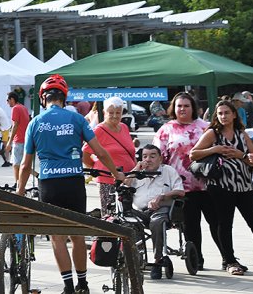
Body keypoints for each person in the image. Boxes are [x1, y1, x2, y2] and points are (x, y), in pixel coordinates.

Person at [17, 75, 125, 294]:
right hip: (74, 183)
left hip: (49, 185)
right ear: (64, 98)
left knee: (57, 238)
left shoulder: (35, 122)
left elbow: (25, 164)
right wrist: (116, 174)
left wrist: (19, 192)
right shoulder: (77, 119)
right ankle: (83, 284)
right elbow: (99, 151)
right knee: (77, 235)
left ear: (43, 98)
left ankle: (68, 287)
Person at [190, 99, 253, 275]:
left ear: (234, 114)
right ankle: (230, 261)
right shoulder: (212, 134)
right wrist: (214, 149)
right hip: (220, 186)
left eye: (227, 113)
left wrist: (242, 154)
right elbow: (193, 154)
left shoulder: (242, 134)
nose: (223, 116)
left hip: (244, 186)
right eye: (220, 113)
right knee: (225, 223)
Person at [152, 91, 221, 270]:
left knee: (218, 223)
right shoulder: (166, 129)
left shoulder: (205, 127)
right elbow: (158, 159)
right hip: (182, 188)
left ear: (193, 108)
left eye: (186, 106)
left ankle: (228, 257)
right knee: (191, 226)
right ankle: (196, 259)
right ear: (173, 108)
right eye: (179, 106)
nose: (182, 109)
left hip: (208, 184)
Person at [124, 144, 185, 280]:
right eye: (145, 156)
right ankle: (137, 258)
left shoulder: (168, 171)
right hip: (140, 211)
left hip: (161, 209)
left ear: (160, 158)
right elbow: (124, 187)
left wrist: (162, 196)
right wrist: (136, 169)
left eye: (152, 156)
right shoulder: (137, 173)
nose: (148, 159)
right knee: (130, 222)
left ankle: (158, 260)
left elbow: (180, 191)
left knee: (157, 222)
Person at [82, 96, 137, 216]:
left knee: (129, 215)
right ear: (104, 113)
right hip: (109, 179)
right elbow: (84, 153)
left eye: (118, 112)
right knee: (110, 215)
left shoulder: (124, 127)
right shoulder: (99, 130)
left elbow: (130, 151)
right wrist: (96, 168)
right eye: (111, 113)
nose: (115, 116)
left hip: (128, 178)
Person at [6, 92, 31, 182]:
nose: (7, 102)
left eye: (7, 100)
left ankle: (18, 185)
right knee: (22, 164)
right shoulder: (23, 107)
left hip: (19, 139)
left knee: (16, 164)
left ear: (12, 99)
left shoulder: (15, 108)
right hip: (25, 139)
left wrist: (9, 141)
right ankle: (20, 184)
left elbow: (15, 125)